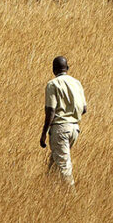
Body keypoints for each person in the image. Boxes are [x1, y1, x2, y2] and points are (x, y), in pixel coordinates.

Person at [40, 56, 87, 187]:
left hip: (60, 129)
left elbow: (50, 111)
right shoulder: (77, 83)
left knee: (64, 167)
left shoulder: (52, 84)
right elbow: (84, 109)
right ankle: (47, 193)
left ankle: (72, 198)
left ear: (53, 70)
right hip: (74, 129)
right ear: (67, 68)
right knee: (54, 165)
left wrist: (44, 133)